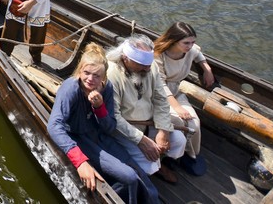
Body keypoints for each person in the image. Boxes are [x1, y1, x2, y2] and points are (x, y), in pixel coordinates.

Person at [48, 43, 159, 203]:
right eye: (86, 73)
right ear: (80, 71)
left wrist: (99, 108)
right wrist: (80, 162)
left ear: (104, 77)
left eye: (97, 76)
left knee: (137, 172)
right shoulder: (70, 88)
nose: (90, 79)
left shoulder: (106, 88)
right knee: (128, 177)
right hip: (79, 139)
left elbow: (109, 127)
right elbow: (54, 126)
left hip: (100, 137)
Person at [106, 34, 186, 184]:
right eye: (142, 65)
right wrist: (141, 140)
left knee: (179, 141)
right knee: (149, 165)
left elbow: (161, 99)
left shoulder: (150, 67)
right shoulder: (111, 74)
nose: (148, 69)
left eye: (149, 64)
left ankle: (159, 162)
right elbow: (114, 117)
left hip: (150, 123)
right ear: (125, 59)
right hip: (125, 130)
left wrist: (163, 130)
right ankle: (152, 167)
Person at [153, 21, 214, 176]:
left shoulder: (190, 50)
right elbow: (160, 85)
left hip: (176, 91)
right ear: (173, 40)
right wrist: (177, 108)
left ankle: (191, 155)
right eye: (186, 43)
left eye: (193, 42)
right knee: (181, 121)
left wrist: (207, 69)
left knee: (195, 122)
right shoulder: (159, 55)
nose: (190, 46)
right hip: (159, 96)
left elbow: (198, 53)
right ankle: (174, 155)